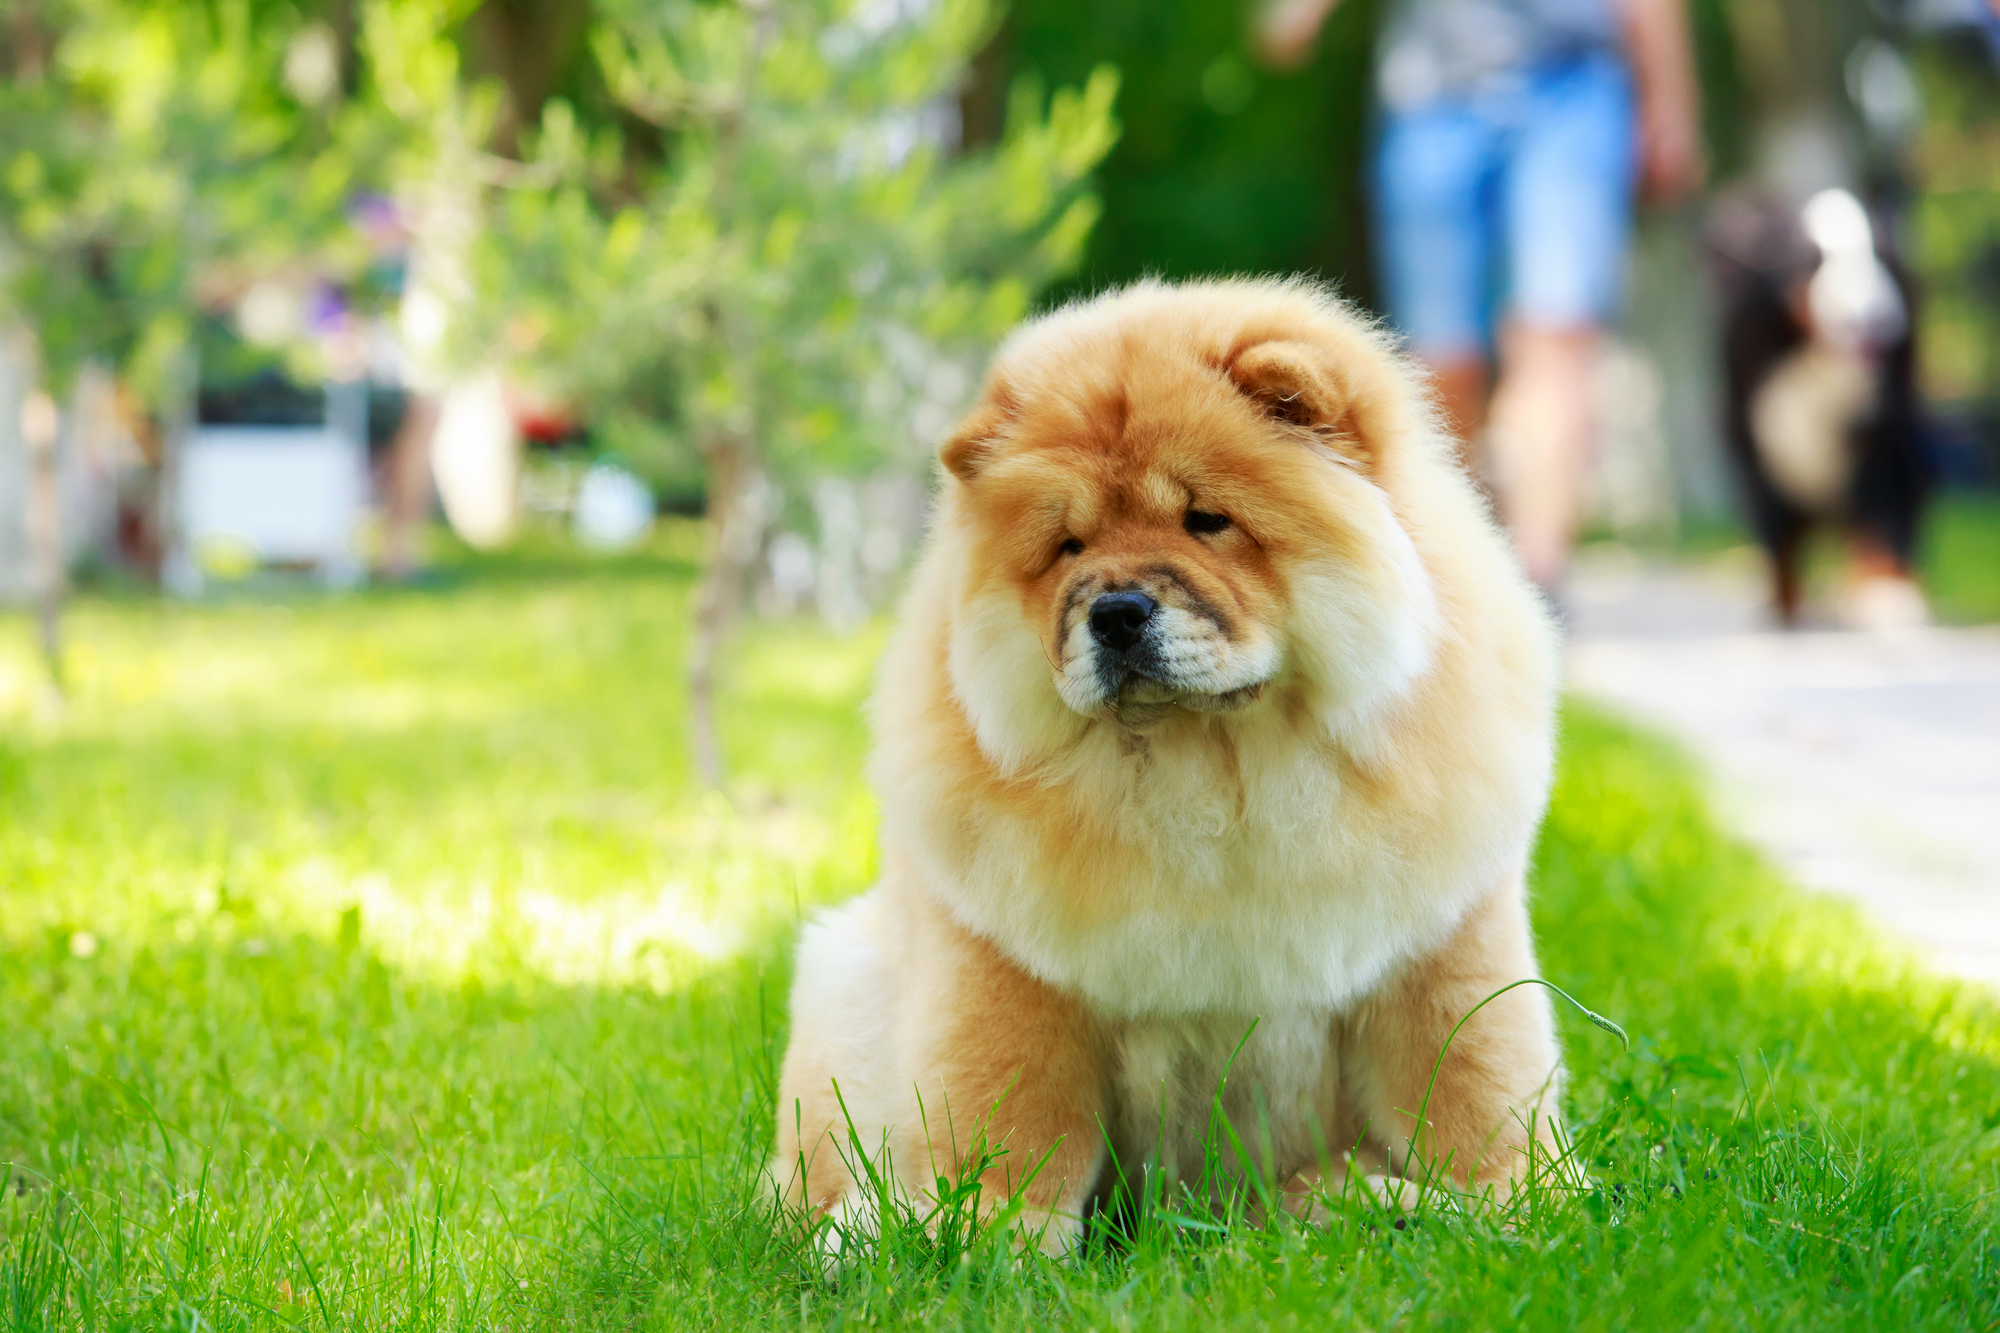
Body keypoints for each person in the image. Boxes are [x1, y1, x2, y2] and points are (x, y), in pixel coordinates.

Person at [1259, 0, 1704, 606]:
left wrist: (1669, 103)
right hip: (1433, 97)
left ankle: (1538, 579)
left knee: (1558, 332)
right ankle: (1457, 568)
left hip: (1574, 85)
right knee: (1441, 363)